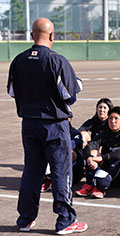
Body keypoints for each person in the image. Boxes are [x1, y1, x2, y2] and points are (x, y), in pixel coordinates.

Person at [7, 18, 87, 234]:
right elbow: (70, 96)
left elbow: (12, 92)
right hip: (54, 124)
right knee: (61, 171)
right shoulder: (56, 60)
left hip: (30, 124)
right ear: (52, 36)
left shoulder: (18, 61)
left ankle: (25, 219)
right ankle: (65, 220)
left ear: (32, 35)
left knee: (32, 172)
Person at [75, 106, 120, 199]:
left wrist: (102, 158)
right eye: (111, 118)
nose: (112, 121)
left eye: (116, 118)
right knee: (93, 152)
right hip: (106, 170)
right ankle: (90, 184)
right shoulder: (105, 133)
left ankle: (101, 187)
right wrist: (89, 158)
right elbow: (90, 145)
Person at [41, 121, 85, 192]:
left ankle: (58, 179)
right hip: (56, 167)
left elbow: (76, 143)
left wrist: (59, 146)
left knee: (68, 150)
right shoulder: (53, 133)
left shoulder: (75, 133)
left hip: (74, 170)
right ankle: (48, 178)